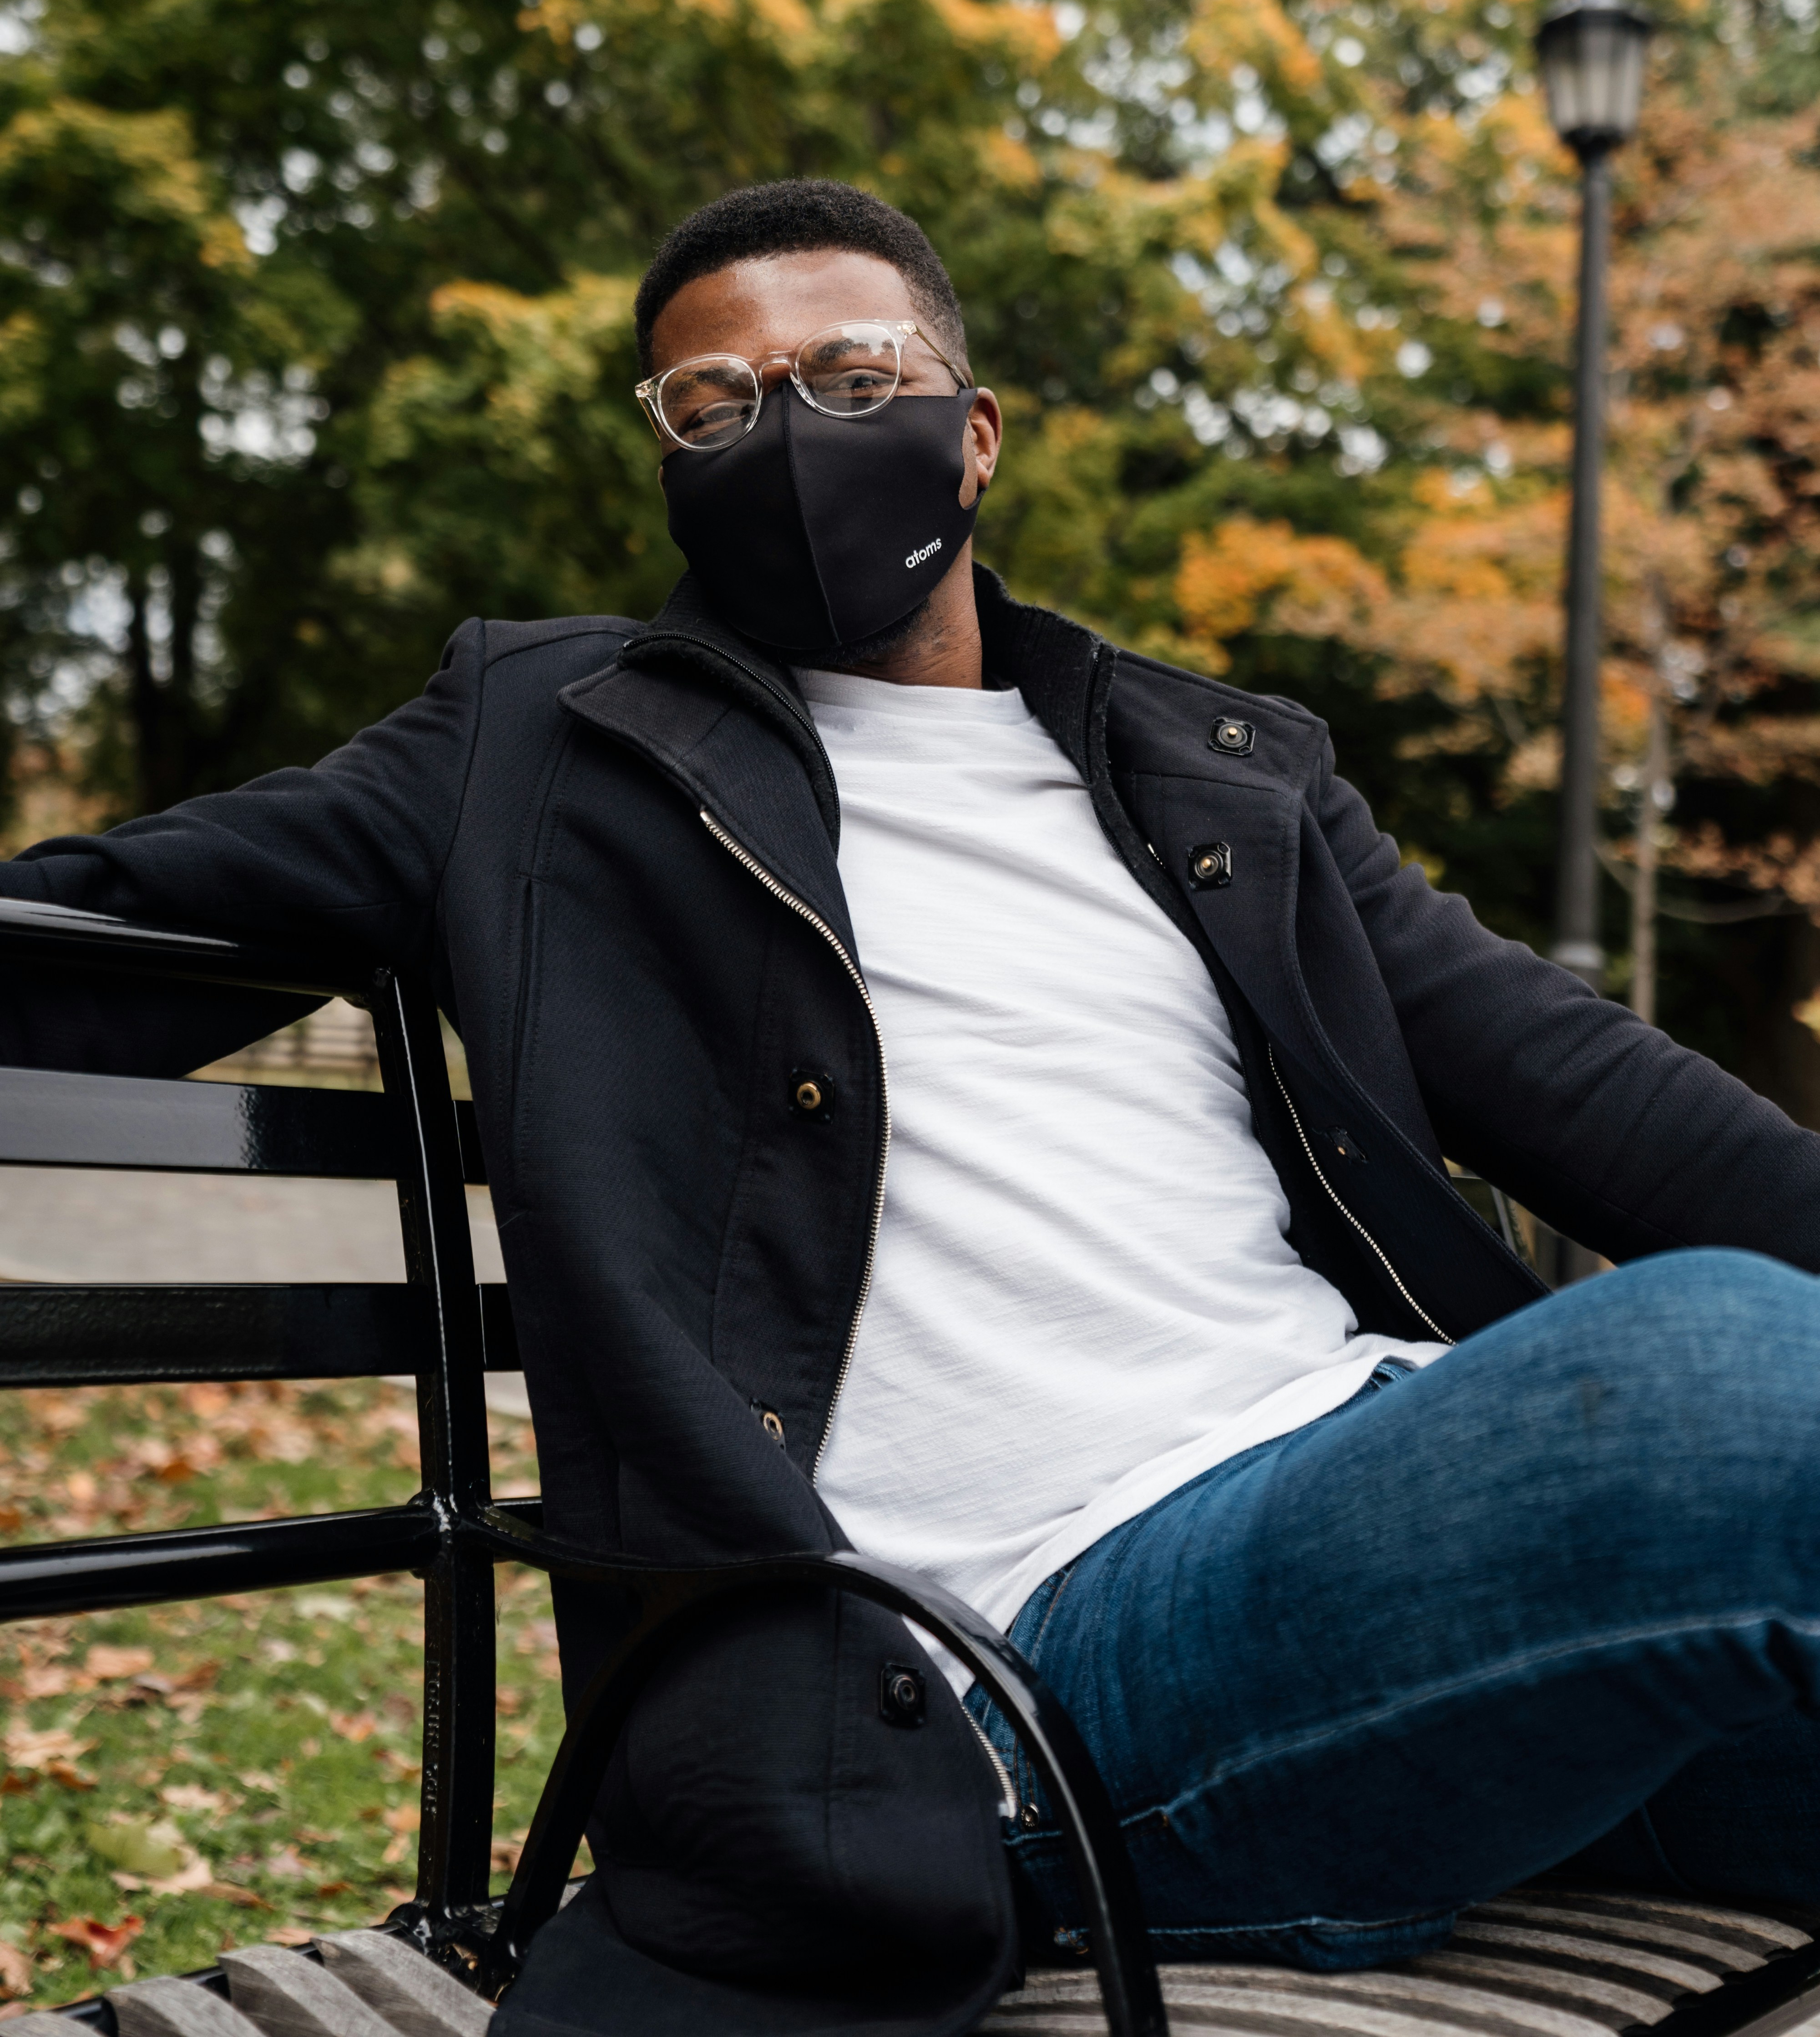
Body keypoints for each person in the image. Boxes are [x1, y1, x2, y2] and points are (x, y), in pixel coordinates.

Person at [8, 177, 1820, 2037]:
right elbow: (105, 929)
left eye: (851, 372)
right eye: (714, 404)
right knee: (1728, 1380)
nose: (785, 431)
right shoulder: (546, 746)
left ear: (972, 438)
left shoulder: (1214, 776)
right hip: (1021, 1675)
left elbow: (1601, 1097)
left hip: (1399, 1545)